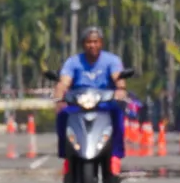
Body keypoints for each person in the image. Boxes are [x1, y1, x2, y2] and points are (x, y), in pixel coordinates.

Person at [53, 26, 127, 162]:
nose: (92, 45)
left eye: (95, 42)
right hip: (79, 102)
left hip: (104, 102)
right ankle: (65, 152)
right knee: (63, 114)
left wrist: (120, 90)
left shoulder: (111, 60)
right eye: (89, 42)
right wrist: (59, 97)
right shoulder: (73, 62)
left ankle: (116, 154)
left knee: (117, 113)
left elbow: (118, 78)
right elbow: (64, 82)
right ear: (83, 44)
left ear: (101, 43)